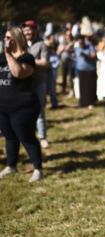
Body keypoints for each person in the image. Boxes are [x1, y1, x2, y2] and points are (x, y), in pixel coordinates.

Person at [0, 26, 43, 182]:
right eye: (5, 37)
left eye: (9, 37)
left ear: (17, 39)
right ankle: (11, 165)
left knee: (26, 137)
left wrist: (8, 54)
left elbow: (18, 73)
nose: (6, 40)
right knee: (10, 137)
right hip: (3, 107)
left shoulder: (27, 58)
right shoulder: (2, 58)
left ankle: (38, 168)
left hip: (24, 107)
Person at [22, 20, 49, 149]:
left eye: (29, 29)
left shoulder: (41, 44)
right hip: (23, 83)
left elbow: (45, 63)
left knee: (39, 111)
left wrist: (29, 60)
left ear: (35, 30)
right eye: (25, 29)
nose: (27, 32)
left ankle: (42, 137)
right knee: (25, 111)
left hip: (38, 82)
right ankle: (28, 137)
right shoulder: (20, 45)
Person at [74, 34, 97, 108]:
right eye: (79, 41)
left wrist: (86, 55)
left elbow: (94, 56)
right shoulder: (77, 48)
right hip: (81, 70)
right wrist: (73, 41)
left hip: (90, 70)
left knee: (90, 87)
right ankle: (83, 102)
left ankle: (91, 102)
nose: (81, 42)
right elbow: (67, 49)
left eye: (82, 40)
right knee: (82, 87)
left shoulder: (90, 46)